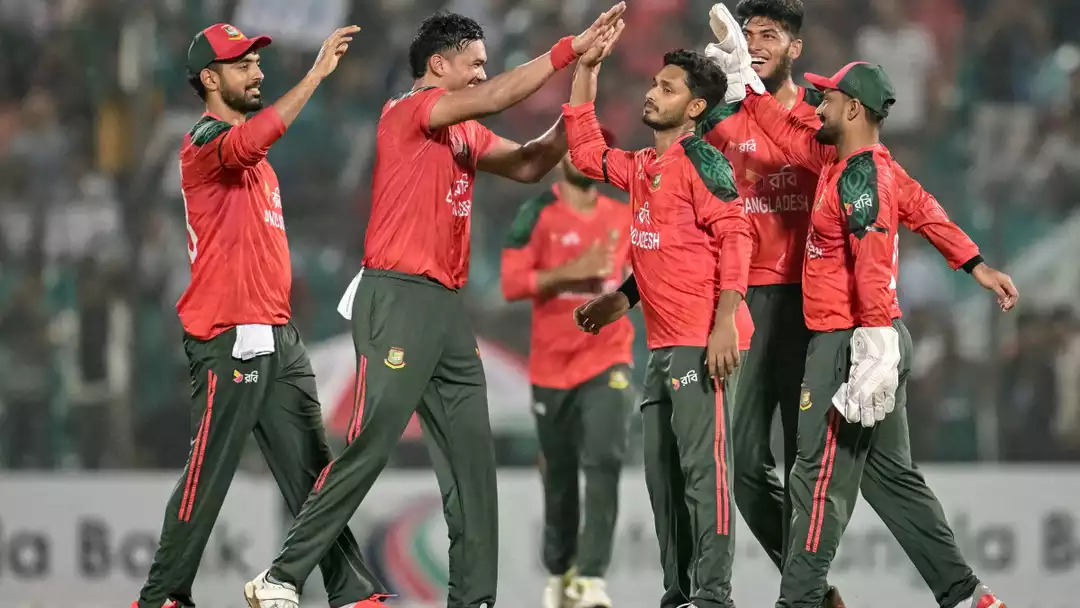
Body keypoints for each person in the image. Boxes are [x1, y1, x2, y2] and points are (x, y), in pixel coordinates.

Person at [244, 7, 627, 608]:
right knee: (374, 441)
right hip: (397, 294)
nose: (482, 74)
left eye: (485, 66)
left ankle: (473, 600)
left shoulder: (463, 131)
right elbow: (497, 97)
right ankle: (282, 575)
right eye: (474, 64)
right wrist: (567, 50)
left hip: (445, 307)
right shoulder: (408, 110)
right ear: (438, 65)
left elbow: (532, 162)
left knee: (473, 464)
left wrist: (585, 79)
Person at [695, 4, 1018, 606]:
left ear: (853, 111)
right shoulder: (850, 161)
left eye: (828, 100)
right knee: (891, 476)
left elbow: (871, 264)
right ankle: (968, 595)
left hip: (850, 337)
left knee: (816, 477)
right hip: (864, 332)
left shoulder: (857, 175)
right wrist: (976, 265)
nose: (817, 107)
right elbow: (923, 208)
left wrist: (874, 338)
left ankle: (801, 601)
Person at [133, 24, 374, 608]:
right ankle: (162, 596)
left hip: (277, 331)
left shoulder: (258, 163)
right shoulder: (203, 142)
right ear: (210, 79)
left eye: (257, 63)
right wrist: (314, 76)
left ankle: (351, 592)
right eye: (242, 65)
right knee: (210, 468)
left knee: (314, 472)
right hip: (231, 332)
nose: (258, 72)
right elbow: (250, 141)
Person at [566, 40, 754, 607]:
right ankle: (679, 593)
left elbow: (737, 235)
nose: (652, 93)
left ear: (695, 108)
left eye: (667, 88)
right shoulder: (644, 166)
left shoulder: (702, 162)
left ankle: (714, 596)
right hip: (664, 345)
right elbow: (585, 154)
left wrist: (725, 323)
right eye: (654, 83)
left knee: (704, 472)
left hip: (704, 340)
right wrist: (586, 68)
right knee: (662, 479)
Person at [500, 137, 633, 608]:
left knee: (604, 458)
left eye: (591, 151)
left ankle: (592, 577)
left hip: (608, 358)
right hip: (552, 366)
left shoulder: (624, 217)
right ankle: (560, 571)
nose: (581, 158)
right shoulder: (535, 214)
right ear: (560, 160)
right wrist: (571, 272)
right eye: (573, 150)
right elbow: (511, 282)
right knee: (558, 472)